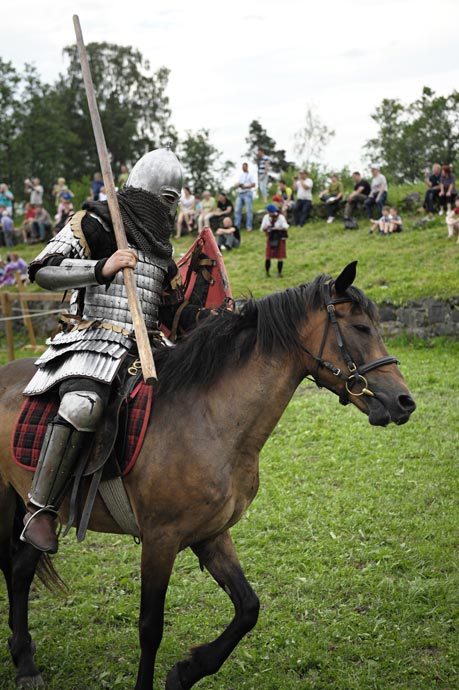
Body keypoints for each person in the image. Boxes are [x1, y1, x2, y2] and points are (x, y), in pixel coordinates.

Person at [20, 147, 214, 554]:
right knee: (82, 405)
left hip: (145, 348)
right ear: (144, 193)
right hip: (91, 338)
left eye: (171, 204)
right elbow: (41, 269)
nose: (166, 212)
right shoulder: (95, 221)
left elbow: (172, 312)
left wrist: (217, 319)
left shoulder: (160, 248)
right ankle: (40, 508)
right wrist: (101, 267)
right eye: (163, 202)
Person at [261, 204, 289, 277]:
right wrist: (266, 227)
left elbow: (286, 227)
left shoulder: (280, 217)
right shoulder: (266, 217)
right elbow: (262, 229)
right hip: (271, 237)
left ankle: (279, 273)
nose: (269, 214)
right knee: (268, 256)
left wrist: (277, 228)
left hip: (279, 238)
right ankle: (267, 272)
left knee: (280, 256)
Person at [234, 162, 256, 231]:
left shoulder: (250, 175)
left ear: (247, 167)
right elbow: (238, 183)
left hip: (247, 193)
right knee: (237, 210)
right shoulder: (240, 175)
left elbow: (253, 184)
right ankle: (236, 227)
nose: (243, 168)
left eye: (245, 167)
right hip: (240, 193)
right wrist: (238, 185)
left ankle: (249, 226)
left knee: (249, 210)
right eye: (242, 167)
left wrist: (245, 186)